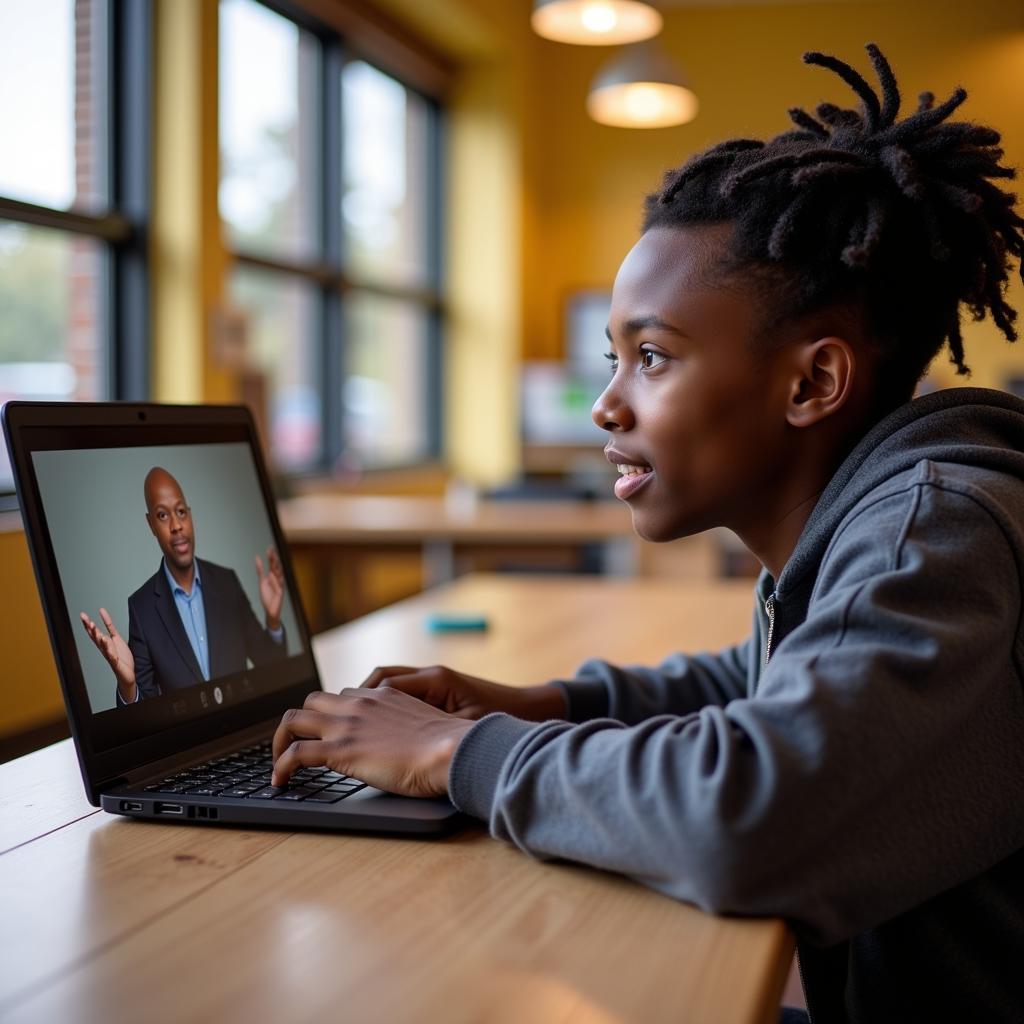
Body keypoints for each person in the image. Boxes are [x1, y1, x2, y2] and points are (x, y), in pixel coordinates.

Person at [270, 44, 1024, 1023]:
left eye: (653, 356)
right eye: (612, 357)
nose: (606, 405)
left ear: (811, 383)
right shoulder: (885, 511)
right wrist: (544, 702)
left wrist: (457, 754)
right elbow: (767, 684)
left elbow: (752, 817)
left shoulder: (933, 534)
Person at [80, 466, 288, 704]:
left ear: (190, 516)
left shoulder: (227, 582)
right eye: (162, 515)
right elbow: (145, 716)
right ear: (151, 525)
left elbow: (272, 666)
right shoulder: (142, 608)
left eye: (181, 512)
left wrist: (272, 621)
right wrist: (128, 687)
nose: (176, 525)